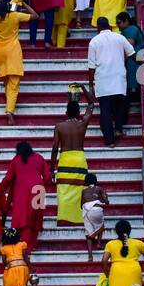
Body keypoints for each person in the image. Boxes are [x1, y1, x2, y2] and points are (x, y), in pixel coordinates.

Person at [88, 17, 136, 147]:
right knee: (119, 106)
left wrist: (90, 83)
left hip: (103, 80)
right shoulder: (119, 38)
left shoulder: (94, 41)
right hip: (118, 78)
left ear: (98, 27)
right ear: (109, 26)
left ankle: (110, 141)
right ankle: (118, 129)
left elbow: (91, 66)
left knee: (105, 110)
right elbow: (132, 54)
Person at [50, 91, 94, 227]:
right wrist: (84, 88)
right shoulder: (82, 124)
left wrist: (51, 169)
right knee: (80, 189)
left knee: (64, 190)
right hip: (79, 159)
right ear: (78, 113)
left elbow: (55, 148)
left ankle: (64, 219)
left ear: (66, 113)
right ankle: (80, 218)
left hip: (65, 159)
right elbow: (92, 103)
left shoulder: (59, 126)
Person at [0, 0, 38, 125]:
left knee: (7, 79)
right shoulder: (14, 16)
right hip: (12, 50)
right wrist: (24, 5)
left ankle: (9, 105)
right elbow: (35, 16)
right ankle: (10, 111)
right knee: (14, 83)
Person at [0, 142, 50, 253]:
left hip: (22, 191)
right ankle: (33, 243)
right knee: (35, 217)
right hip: (38, 189)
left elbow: (8, 178)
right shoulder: (39, 158)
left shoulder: (16, 160)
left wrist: (0, 190)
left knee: (24, 218)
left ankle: (25, 245)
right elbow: (47, 176)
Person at [80, 173, 109, 261]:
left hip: (87, 211)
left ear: (86, 182)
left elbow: (81, 205)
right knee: (101, 226)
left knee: (89, 233)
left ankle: (90, 256)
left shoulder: (83, 191)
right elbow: (106, 201)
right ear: (95, 181)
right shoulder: (99, 189)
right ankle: (99, 243)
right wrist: (106, 199)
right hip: (97, 209)